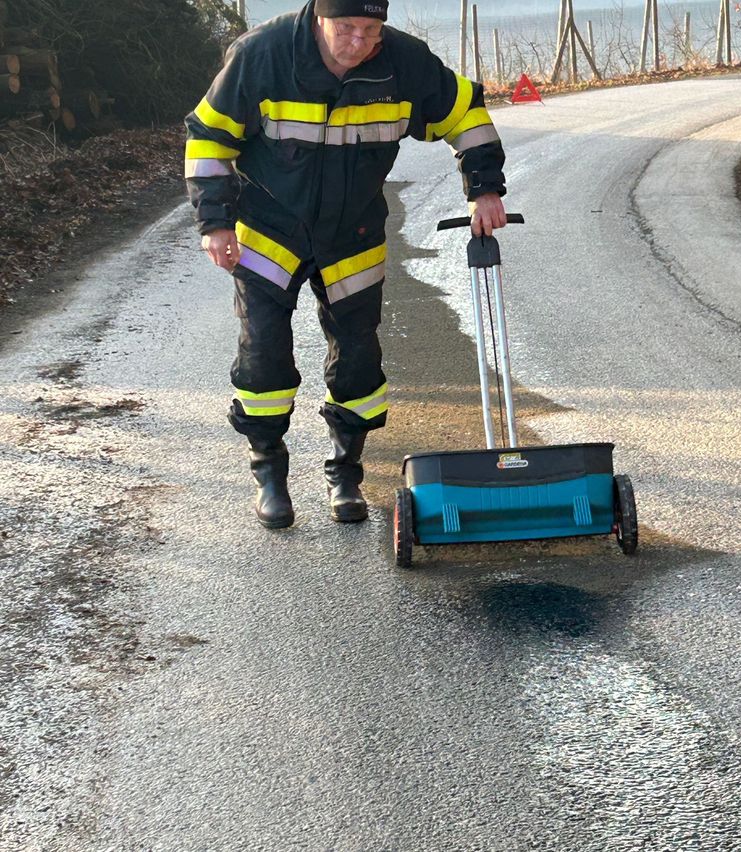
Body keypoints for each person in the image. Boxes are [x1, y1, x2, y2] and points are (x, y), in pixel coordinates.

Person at [184, 0, 507, 529]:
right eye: (346, 29)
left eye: (370, 29)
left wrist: (484, 189)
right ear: (318, 18)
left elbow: (465, 114)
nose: (359, 42)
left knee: (358, 354)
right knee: (263, 352)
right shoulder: (263, 56)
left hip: (353, 230)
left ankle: (346, 472)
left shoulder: (404, 63)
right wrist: (215, 223)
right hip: (269, 228)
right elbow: (209, 138)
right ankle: (269, 471)